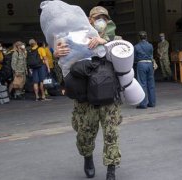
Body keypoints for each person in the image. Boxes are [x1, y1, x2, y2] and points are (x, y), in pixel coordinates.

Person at [54, 6, 121, 180]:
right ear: (88, 21)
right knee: (84, 134)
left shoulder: (116, 39)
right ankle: (88, 158)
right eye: (97, 18)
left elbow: (126, 54)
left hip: (108, 97)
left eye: (104, 18)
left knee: (111, 134)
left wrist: (103, 42)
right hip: (85, 99)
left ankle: (111, 169)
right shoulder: (74, 40)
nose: (101, 21)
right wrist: (57, 56)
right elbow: (64, 70)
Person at [134, 31, 156, 109]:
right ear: (146, 37)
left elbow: (134, 58)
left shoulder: (136, 46)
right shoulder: (150, 45)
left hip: (141, 64)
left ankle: (143, 104)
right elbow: (151, 55)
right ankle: (152, 103)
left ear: (139, 37)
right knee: (151, 84)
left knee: (142, 84)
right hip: (150, 64)